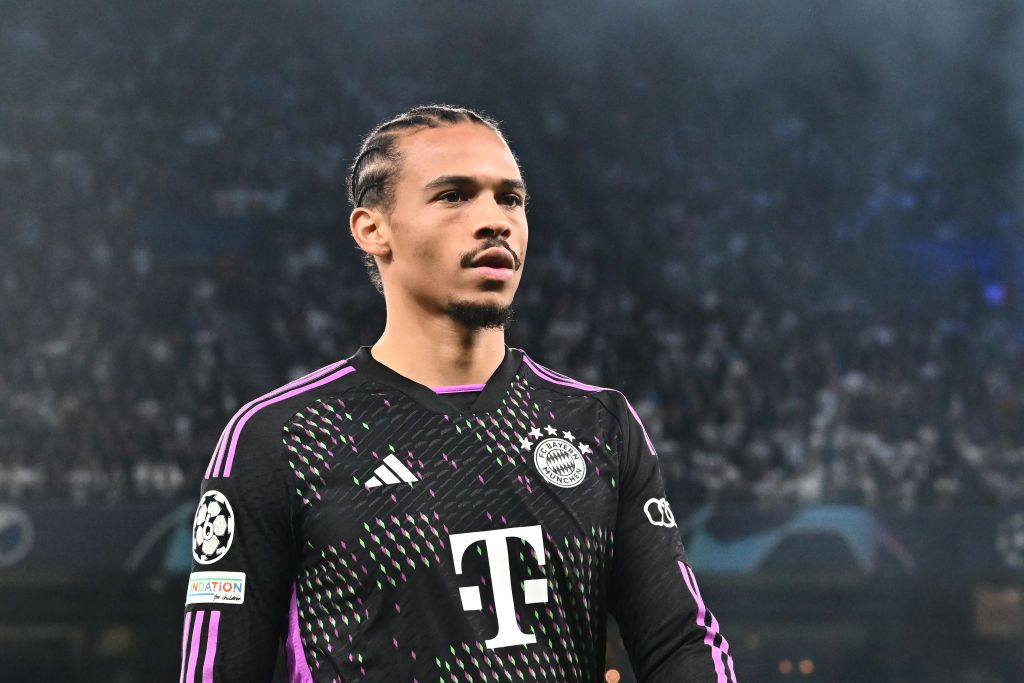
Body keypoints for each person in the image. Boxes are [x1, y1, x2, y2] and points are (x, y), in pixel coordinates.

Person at [178, 104, 738, 682]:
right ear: (373, 229)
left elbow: (682, 644)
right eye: (454, 196)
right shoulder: (281, 438)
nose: (494, 219)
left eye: (510, 199)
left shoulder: (597, 425)